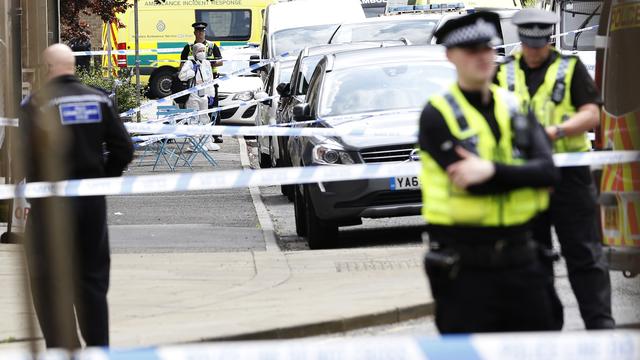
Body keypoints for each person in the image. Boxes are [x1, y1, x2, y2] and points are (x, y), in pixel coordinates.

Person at [418, 11, 562, 333]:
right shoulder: (437, 113)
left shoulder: (514, 106)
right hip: (465, 265)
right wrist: (524, 177)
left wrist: (490, 170)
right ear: (450, 56)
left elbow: (549, 173)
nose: (483, 57)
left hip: (522, 257)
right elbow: (474, 187)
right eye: (472, 51)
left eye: (488, 48)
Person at [495, 8, 615, 330]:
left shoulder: (569, 68)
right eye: (529, 46)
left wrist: (555, 132)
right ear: (521, 40)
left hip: (569, 178)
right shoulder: (504, 73)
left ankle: (600, 326)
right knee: (533, 256)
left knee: (584, 254)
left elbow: (592, 114)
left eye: (540, 45)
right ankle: (545, 328)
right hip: (526, 177)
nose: (535, 52)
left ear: (548, 40)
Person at [17, 43, 134, 348]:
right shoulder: (99, 98)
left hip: (50, 205)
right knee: (92, 279)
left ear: (46, 68)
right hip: (91, 204)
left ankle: (64, 348)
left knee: (47, 280)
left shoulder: (36, 104)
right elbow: (124, 148)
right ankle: (98, 349)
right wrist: (103, 179)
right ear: (73, 67)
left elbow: (21, 157)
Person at [181, 21, 224, 144]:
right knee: (195, 110)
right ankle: (196, 137)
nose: (200, 33)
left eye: (202, 31)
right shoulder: (188, 47)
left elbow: (221, 61)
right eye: (198, 31)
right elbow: (182, 64)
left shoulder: (211, 45)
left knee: (213, 108)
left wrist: (207, 64)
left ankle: (215, 134)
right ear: (194, 33)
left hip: (210, 81)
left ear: (205, 32)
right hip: (193, 83)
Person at [179, 42, 220, 151]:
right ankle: (194, 144)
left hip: (204, 93)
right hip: (193, 94)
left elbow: (210, 79)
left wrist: (211, 94)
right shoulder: (190, 63)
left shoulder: (206, 63)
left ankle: (207, 141)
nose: (202, 53)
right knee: (194, 119)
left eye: (203, 51)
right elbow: (181, 76)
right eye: (199, 51)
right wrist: (192, 71)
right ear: (194, 53)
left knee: (205, 118)